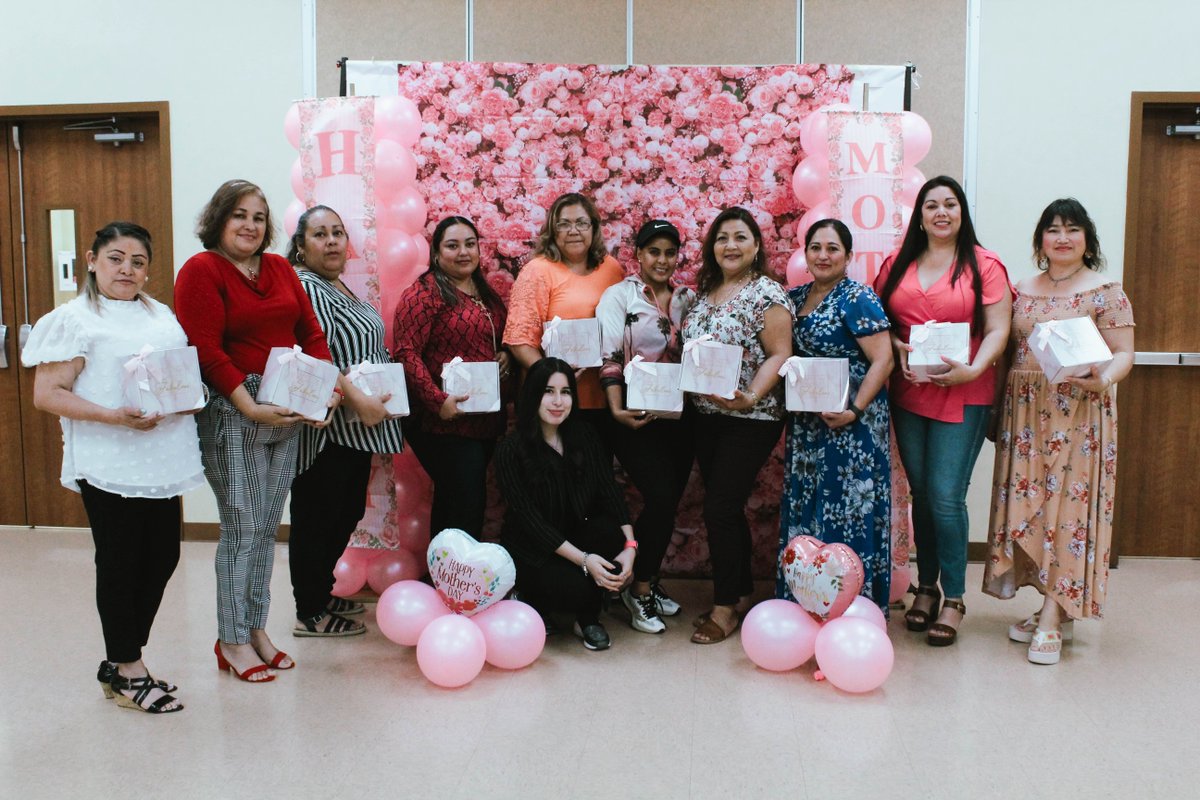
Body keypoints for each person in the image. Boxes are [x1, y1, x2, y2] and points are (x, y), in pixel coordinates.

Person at [22, 222, 204, 713]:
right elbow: (47, 395)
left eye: (138, 262)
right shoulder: (74, 319)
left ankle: (123, 658)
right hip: (108, 459)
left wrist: (185, 399)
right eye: (116, 258)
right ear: (91, 259)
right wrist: (113, 417)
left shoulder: (158, 312)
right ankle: (127, 668)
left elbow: (178, 373)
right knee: (122, 563)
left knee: (163, 557)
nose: (127, 269)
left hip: (162, 456)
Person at [175, 179, 338, 683]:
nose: (250, 225)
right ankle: (231, 639)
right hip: (233, 410)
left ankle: (256, 629)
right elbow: (205, 350)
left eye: (259, 217)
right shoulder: (201, 270)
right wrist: (249, 406)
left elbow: (310, 333)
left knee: (267, 530)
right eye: (239, 215)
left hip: (284, 408)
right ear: (218, 220)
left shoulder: (279, 268)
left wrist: (326, 390)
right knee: (242, 528)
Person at [984, 199, 1134, 665]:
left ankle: (1054, 612)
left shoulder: (1106, 291)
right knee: (1031, 507)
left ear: (1087, 239)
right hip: (1025, 413)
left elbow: (1124, 352)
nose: (1062, 238)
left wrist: (1102, 379)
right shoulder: (1020, 289)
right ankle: (1052, 602)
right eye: (1053, 230)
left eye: (1072, 230)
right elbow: (1004, 347)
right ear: (1040, 240)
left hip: (1081, 412)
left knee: (1069, 510)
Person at [873, 176, 1012, 647]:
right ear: (920, 213)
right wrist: (896, 344)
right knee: (922, 496)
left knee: (947, 495)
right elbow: (882, 322)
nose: (941, 212)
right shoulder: (898, 262)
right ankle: (925, 586)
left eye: (950, 204)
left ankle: (954, 597)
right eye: (931, 205)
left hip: (965, 389)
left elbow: (998, 329)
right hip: (910, 390)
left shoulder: (985, 264)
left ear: (961, 211)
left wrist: (972, 369)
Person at [287, 206, 405, 637]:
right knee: (318, 516)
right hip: (327, 430)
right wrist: (360, 399)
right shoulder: (308, 286)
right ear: (301, 246)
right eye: (320, 234)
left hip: (356, 428)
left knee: (344, 511)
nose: (333, 240)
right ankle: (309, 611)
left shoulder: (340, 287)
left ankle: (319, 590)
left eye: (338, 232)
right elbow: (318, 356)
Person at [682, 207, 792, 644]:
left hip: (750, 416)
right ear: (713, 247)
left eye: (740, 237)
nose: (730, 245)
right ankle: (742, 591)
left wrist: (751, 396)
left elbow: (779, 354)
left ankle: (725, 607)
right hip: (705, 417)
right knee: (723, 505)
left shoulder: (768, 293)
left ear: (757, 245)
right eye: (722, 237)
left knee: (720, 508)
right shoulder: (705, 292)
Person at [778, 219, 894, 607]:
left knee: (849, 510)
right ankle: (804, 602)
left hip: (852, 425)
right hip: (809, 424)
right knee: (808, 504)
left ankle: (852, 605)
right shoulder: (792, 299)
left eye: (832, 248)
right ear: (805, 254)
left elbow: (883, 359)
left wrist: (855, 409)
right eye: (815, 247)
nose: (823, 255)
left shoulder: (856, 297)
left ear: (848, 255)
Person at [494, 358, 636, 651]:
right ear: (533, 395)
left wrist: (630, 549)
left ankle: (586, 619)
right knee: (575, 586)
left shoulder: (584, 435)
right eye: (549, 391)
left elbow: (610, 491)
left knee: (611, 534)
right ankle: (531, 598)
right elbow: (531, 522)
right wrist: (585, 560)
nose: (558, 401)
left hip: (575, 535)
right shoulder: (511, 449)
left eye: (566, 392)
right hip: (533, 547)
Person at [595, 219, 696, 633]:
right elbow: (609, 355)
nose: (662, 259)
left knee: (668, 503)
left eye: (669, 252)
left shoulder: (689, 298)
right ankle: (635, 592)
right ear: (638, 255)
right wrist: (616, 410)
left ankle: (648, 581)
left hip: (680, 417)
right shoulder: (619, 296)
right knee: (661, 495)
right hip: (633, 417)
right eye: (653, 251)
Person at [391, 216, 511, 540]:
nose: (463, 252)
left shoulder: (483, 291)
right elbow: (405, 352)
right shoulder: (424, 293)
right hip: (440, 421)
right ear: (436, 252)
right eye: (452, 245)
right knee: (464, 503)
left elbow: (497, 336)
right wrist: (437, 400)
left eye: (470, 244)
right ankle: (453, 582)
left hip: (482, 420)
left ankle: (447, 581)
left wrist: (506, 355)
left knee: (458, 502)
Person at [502, 192, 625, 431]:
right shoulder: (537, 271)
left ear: (593, 228)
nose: (573, 230)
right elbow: (519, 340)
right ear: (552, 230)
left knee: (596, 466)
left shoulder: (611, 269)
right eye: (564, 224)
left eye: (581, 223)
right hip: (552, 403)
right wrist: (554, 379)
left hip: (604, 397)